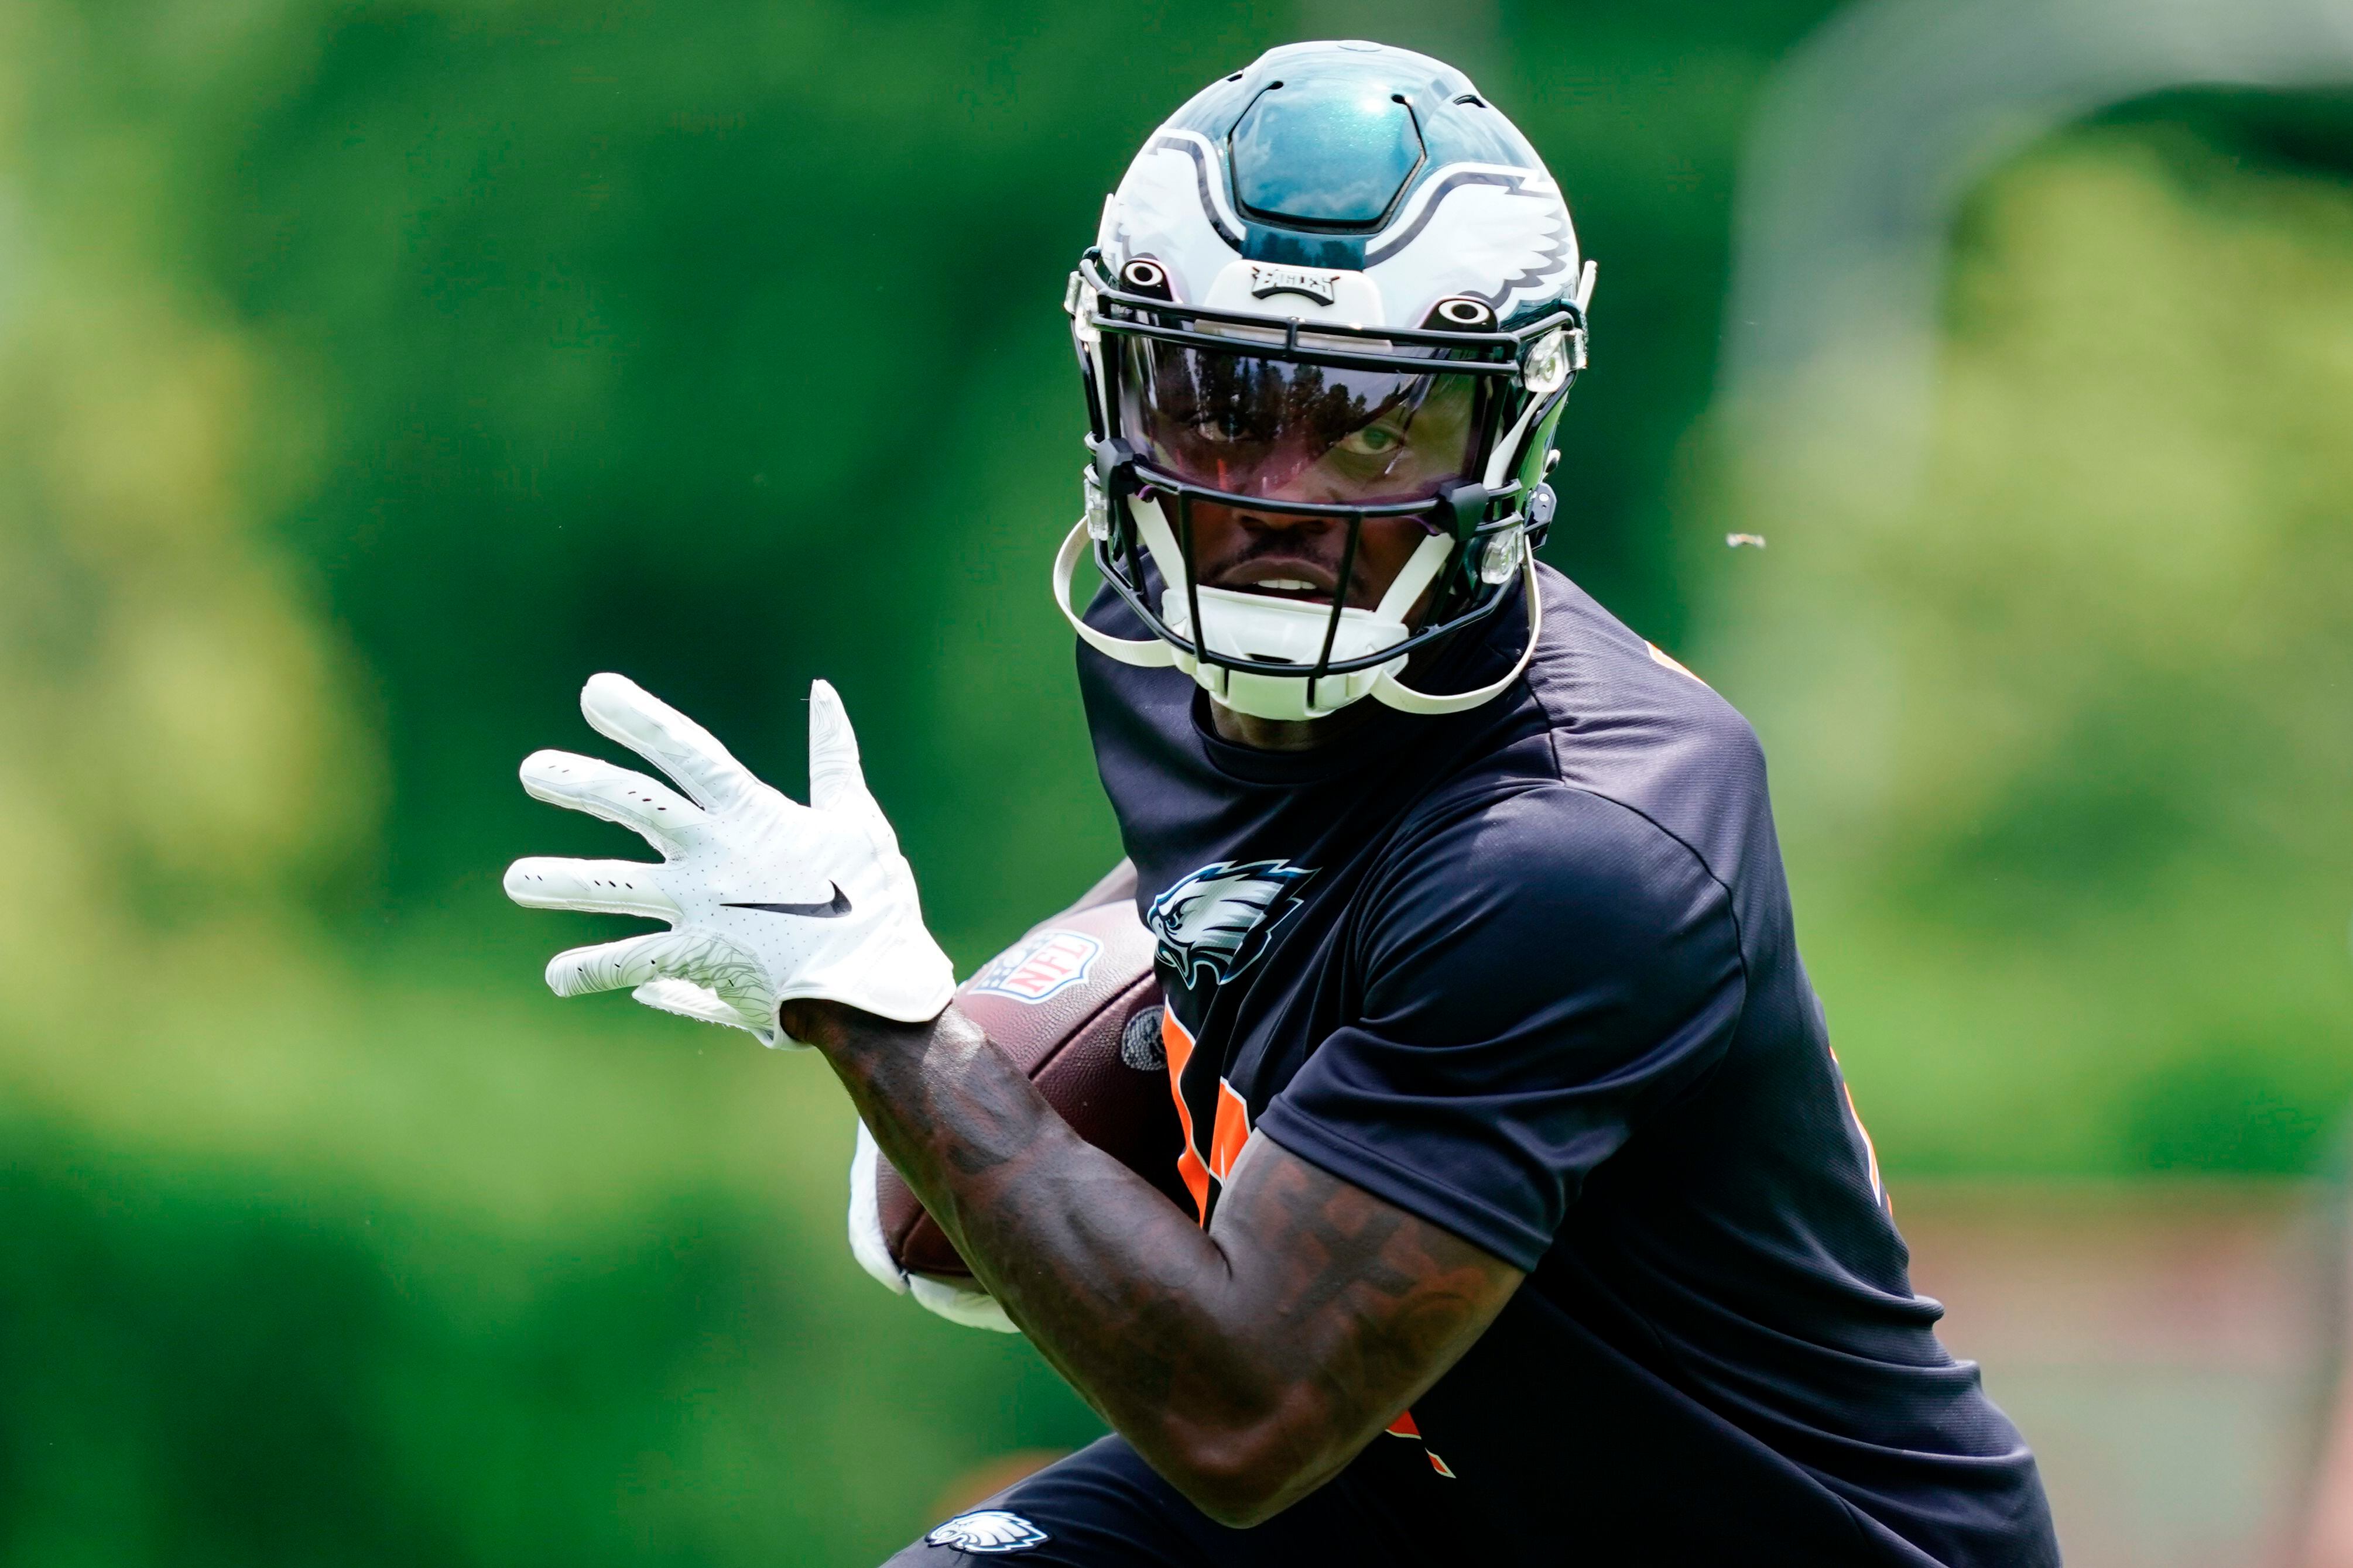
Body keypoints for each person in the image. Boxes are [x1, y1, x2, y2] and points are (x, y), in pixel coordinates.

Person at [502, 42, 2061, 1566]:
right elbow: (1238, 874)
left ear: (1510, 433)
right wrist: (992, 1028)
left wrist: (891, 1039)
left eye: (1381, 424)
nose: (1284, 504)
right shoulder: (1142, 630)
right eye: (1223, 404)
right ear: (1118, 389)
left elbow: (1243, 1417)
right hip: (1429, 1484)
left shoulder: (1574, 848)